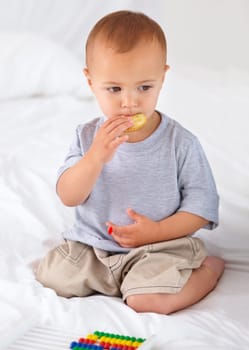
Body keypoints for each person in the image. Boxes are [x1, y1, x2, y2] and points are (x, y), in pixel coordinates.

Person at [36, 10, 224, 314]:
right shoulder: (86, 137)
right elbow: (68, 195)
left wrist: (158, 231)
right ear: (90, 81)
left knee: (146, 301)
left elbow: (202, 207)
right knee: (52, 276)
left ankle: (209, 271)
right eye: (114, 89)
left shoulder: (180, 142)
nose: (130, 102)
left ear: (162, 78)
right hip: (95, 247)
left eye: (144, 87)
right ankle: (119, 279)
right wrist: (96, 157)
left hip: (159, 248)